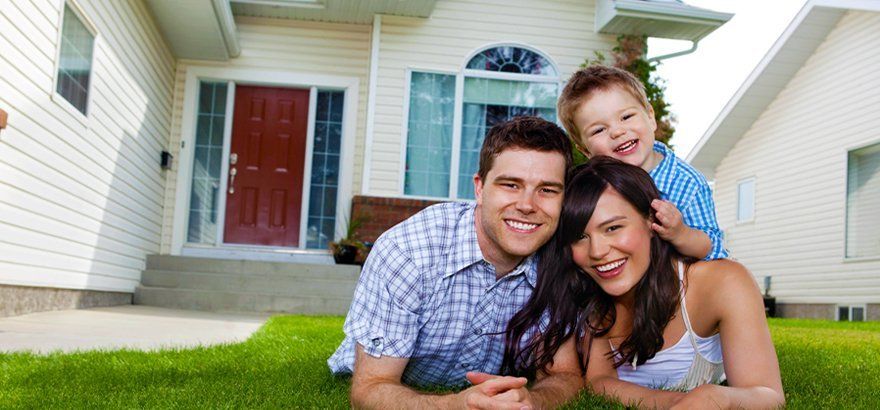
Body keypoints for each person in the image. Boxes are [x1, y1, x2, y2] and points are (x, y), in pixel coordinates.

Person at [328, 116, 584, 409]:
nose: (527, 205)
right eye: (511, 185)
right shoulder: (409, 252)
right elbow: (370, 388)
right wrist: (454, 406)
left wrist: (535, 401)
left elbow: (565, 375)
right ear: (479, 187)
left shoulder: (560, 259)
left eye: (547, 190)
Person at [503, 157, 784, 409]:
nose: (598, 251)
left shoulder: (722, 281)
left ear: (651, 221)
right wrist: (677, 402)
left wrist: (715, 397)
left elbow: (768, 395)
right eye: (580, 236)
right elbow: (599, 381)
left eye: (613, 228)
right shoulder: (588, 294)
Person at [558, 65, 727, 261]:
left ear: (650, 117)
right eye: (598, 130)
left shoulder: (686, 183)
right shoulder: (591, 189)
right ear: (586, 150)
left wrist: (681, 233)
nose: (617, 131)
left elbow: (712, 248)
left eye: (626, 117)